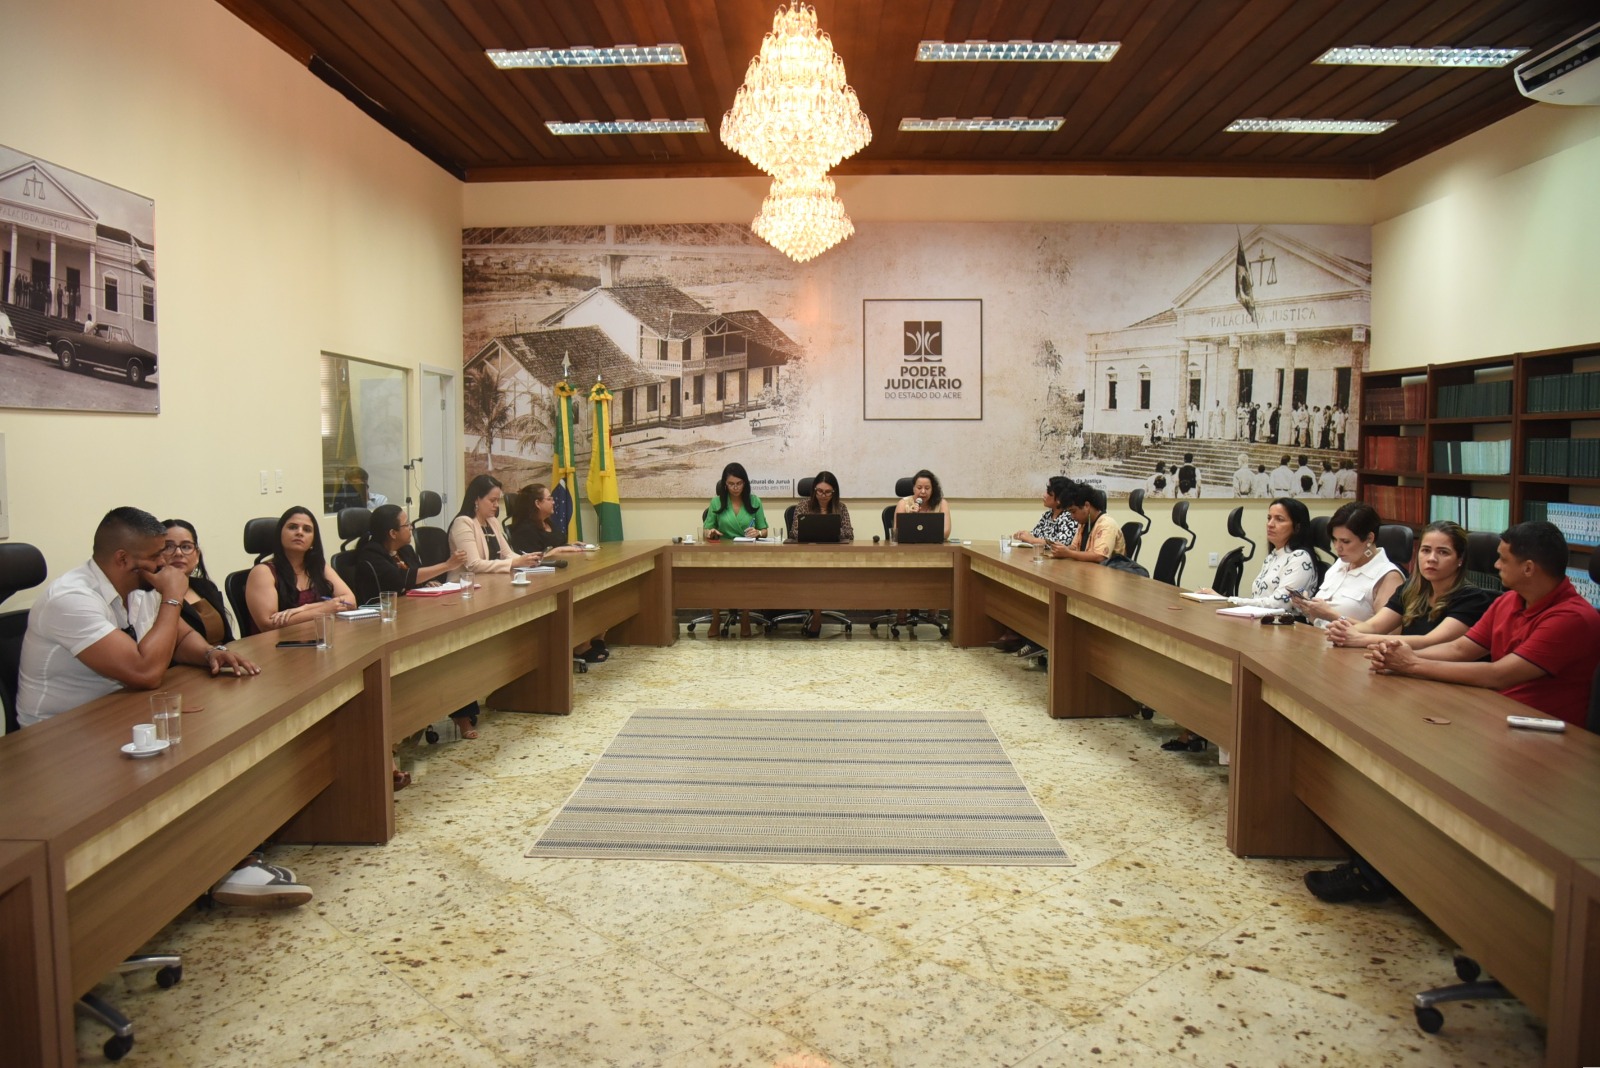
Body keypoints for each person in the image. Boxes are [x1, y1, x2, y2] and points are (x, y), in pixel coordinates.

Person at [15, 508, 303, 907]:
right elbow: (144, 670)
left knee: (216, 731)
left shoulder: (137, 589)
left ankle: (227, 859)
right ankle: (214, 870)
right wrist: (172, 595)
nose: (166, 565)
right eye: (156, 559)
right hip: (60, 742)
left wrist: (210, 654)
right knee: (190, 755)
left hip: (116, 717)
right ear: (122, 560)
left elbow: (181, 637)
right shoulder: (72, 599)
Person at [1367, 521, 1600, 727]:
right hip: (1495, 710)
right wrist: (1398, 656)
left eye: (1503, 559)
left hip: (1542, 730)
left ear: (1528, 568)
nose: (1496, 565)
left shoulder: (1572, 618)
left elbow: (1498, 674)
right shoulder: (1509, 600)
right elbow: (1460, 649)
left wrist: (1411, 664)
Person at [1177, 498, 1318, 752]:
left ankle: (1233, 744)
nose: (1270, 524)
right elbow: (1258, 600)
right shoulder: (1275, 555)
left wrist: (1226, 599)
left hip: (1286, 637)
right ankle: (1201, 728)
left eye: (1279, 519)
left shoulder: (1300, 558)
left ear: (1297, 527)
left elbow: (1280, 604)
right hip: (1264, 631)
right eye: (1268, 518)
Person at [355, 505, 484, 738]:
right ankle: (402, 728)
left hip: (411, 617)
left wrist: (426, 584)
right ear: (392, 533)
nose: (411, 527)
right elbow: (399, 580)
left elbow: (416, 576)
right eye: (406, 524)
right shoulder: (369, 555)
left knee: (452, 648)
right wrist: (447, 566)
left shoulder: (405, 550)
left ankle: (462, 714)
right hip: (379, 627)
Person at [1326, 521, 1494, 651]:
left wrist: (1360, 639)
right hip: (1408, 671)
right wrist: (1343, 632)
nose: (1431, 559)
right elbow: (1374, 626)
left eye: (1443, 552)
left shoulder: (1473, 599)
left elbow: (1430, 641)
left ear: (1460, 560)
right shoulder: (1410, 589)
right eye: (1426, 550)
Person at [510, 485, 609, 661]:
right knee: (579, 596)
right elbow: (532, 560)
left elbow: (555, 544)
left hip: (561, 571)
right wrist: (558, 551)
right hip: (541, 581)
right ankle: (580, 645)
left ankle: (597, 636)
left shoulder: (547, 523)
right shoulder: (524, 529)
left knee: (598, 592)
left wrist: (572, 545)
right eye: (549, 498)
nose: (554, 501)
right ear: (537, 503)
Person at [1290, 502, 1404, 627]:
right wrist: (1308, 608)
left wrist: (1331, 615)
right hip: (1319, 638)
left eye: (1345, 541)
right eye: (1334, 539)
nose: (1337, 547)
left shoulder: (1388, 576)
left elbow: (1389, 634)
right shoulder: (1340, 563)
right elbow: (1320, 621)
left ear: (1369, 538)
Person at [246, 507, 356, 634]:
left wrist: (304, 609)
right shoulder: (263, 572)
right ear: (280, 533)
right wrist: (323, 610)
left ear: (313, 540)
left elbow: (350, 602)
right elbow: (268, 624)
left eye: (307, 529)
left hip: (315, 639)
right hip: (276, 646)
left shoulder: (319, 566)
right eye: (292, 527)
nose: (299, 532)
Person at [789, 471, 855, 637]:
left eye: (827, 492)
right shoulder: (803, 506)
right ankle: (817, 616)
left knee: (820, 573)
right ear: (813, 490)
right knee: (815, 573)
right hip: (806, 558)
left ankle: (816, 616)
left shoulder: (841, 507)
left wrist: (830, 529)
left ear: (834, 492)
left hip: (834, 559)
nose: (823, 495)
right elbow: (794, 532)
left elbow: (849, 534)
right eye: (819, 491)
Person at [160, 518, 234, 646]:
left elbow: (228, 638)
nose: (178, 553)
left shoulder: (206, 586)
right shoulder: (153, 596)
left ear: (197, 555)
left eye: (186, 547)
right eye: (168, 547)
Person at [450, 473, 543, 573]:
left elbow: (507, 554)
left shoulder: (492, 521)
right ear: (476, 500)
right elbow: (473, 565)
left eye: (498, 500)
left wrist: (528, 559)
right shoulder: (463, 523)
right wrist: (515, 562)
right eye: (492, 500)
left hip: (490, 581)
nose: (497, 505)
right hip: (465, 584)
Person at [1045, 484, 1124, 563]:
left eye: (1073, 511)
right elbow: (1074, 547)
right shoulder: (1084, 523)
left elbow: (1100, 557)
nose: (1072, 516)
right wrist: (1061, 550)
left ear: (1087, 506)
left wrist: (1068, 553)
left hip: (1109, 572)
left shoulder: (1106, 524)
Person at [704, 462, 769, 540]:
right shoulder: (716, 502)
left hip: (748, 547)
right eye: (731, 484)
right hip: (724, 548)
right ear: (725, 484)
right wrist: (710, 532)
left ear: (744, 483)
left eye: (739, 483)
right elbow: (706, 530)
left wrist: (758, 533)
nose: (735, 488)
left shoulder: (754, 501)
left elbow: (764, 531)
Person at [1012, 475, 1078, 549]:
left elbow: (1061, 545)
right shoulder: (1047, 515)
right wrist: (1024, 535)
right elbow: (1035, 535)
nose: (1044, 495)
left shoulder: (1070, 517)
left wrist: (1032, 540)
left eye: (1049, 493)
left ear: (1059, 499)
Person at [894, 469, 951, 539]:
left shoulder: (942, 503)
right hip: (909, 548)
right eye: (919, 488)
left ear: (932, 489)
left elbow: (946, 533)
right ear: (913, 488)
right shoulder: (903, 503)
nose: (923, 491)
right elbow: (897, 533)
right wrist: (912, 518)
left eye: (927, 488)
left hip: (934, 547)